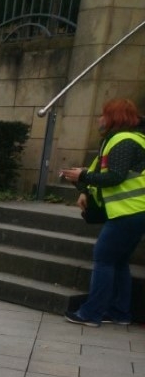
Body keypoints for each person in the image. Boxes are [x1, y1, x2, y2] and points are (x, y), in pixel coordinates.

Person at [59, 98, 145, 327]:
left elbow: (114, 177)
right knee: (119, 262)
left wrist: (83, 176)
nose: (99, 119)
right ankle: (119, 312)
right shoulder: (131, 139)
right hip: (134, 212)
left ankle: (91, 313)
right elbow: (111, 174)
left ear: (114, 118)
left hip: (129, 212)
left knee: (104, 258)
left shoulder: (122, 140)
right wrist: (84, 185)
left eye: (104, 114)